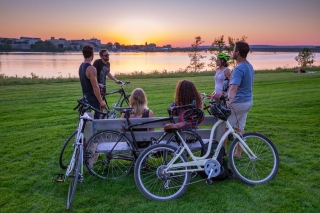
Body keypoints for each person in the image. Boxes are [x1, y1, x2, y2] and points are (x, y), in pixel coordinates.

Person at [226, 41, 254, 158]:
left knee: (222, 127)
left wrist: (227, 102)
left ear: (237, 52)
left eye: (233, 50)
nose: (232, 52)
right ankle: (238, 153)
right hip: (248, 102)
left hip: (238, 102)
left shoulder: (239, 68)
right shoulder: (249, 66)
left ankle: (222, 154)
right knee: (240, 128)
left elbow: (234, 88)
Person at [79, 45, 106, 119]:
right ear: (92, 54)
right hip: (93, 99)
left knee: (88, 121)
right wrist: (101, 102)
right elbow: (95, 87)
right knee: (96, 122)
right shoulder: (91, 68)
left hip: (85, 97)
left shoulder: (81, 66)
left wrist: (98, 84)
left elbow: (87, 81)